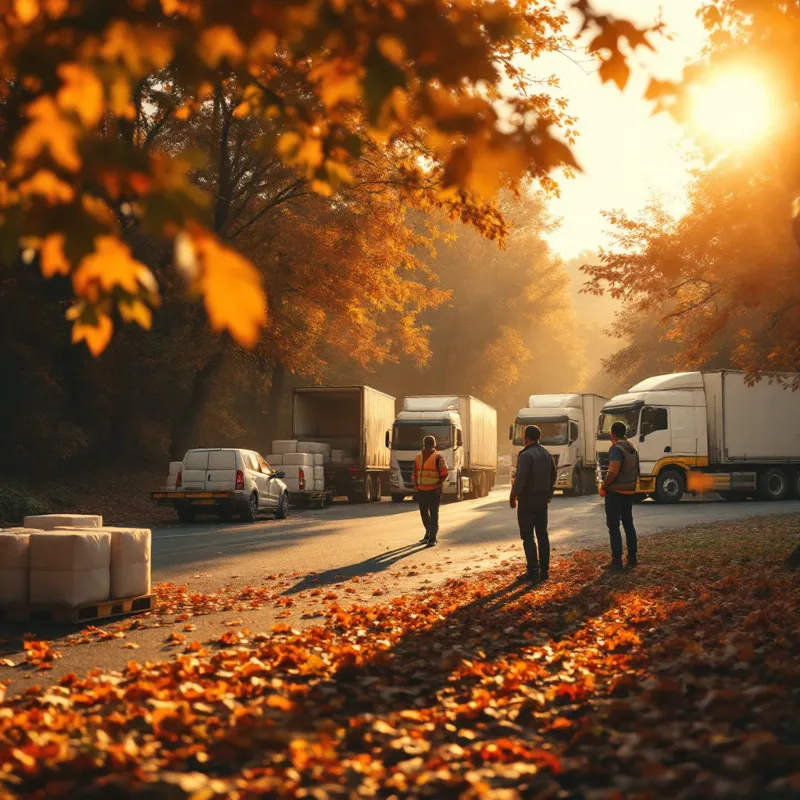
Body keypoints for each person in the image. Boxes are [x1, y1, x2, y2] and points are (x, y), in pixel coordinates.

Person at [509, 425, 556, 583]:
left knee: (528, 535)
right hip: (542, 500)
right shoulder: (547, 454)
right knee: (542, 534)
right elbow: (553, 476)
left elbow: (521, 479)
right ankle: (544, 570)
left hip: (528, 500)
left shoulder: (526, 455)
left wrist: (513, 496)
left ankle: (533, 570)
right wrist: (548, 495)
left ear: (526, 437)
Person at [599, 420, 639, 570]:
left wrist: (604, 486)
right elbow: (637, 470)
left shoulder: (616, 449)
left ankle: (616, 560)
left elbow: (613, 471)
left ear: (613, 434)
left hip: (615, 492)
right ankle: (632, 557)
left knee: (613, 525)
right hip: (629, 491)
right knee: (628, 523)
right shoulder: (632, 448)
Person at [412, 435, 449, 547]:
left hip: (433, 491)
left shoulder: (438, 458)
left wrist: (438, 484)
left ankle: (432, 538)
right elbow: (415, 473)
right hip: (421, 491)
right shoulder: (418, 457)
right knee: (425, 513)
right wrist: (416, 485)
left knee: (433, 514)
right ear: (434, 444)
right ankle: (428, 534)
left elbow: (444, 473)